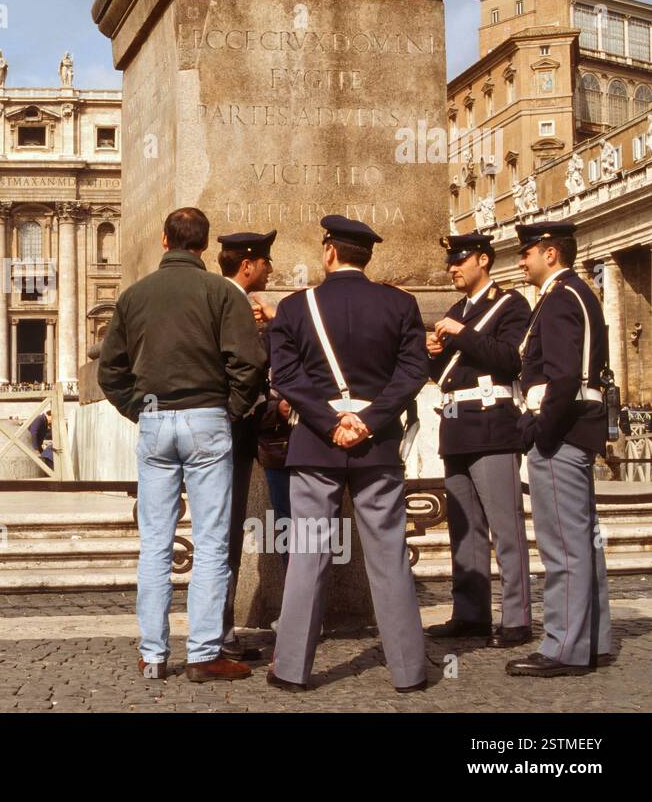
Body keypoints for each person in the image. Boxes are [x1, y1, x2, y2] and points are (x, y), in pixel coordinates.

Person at [98, 207, 264, 683]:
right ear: (205, 246)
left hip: (154, 421)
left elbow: (111, 370)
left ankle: (152, 655)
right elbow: (248, 362)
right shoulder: (219, 291)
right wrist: (228, 408)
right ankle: (204, 653)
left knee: (154, 544)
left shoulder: (134, 295)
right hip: (207, 418)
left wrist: (137, 408)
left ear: (163, 239)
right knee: (211, 542)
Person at [267, 215, 429, 692]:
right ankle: (409, 670)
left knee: (307, 556)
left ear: (329, 252)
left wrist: (329, 421)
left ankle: (294, 668)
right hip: (376, 446)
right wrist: (368, 421)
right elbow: (413, 371)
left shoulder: (296, 307)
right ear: (366, 256)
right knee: (389, 557)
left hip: (316, 444)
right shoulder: (401, 303)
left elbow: (286, 376)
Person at [506, 221, 612, 677]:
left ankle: (563, 647)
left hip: (562, 433)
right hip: (579, 428)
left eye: (527, 252)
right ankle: (593, 640)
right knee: (584, 540)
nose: (521, 260)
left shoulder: (559, 298)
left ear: (551, 254)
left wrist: (541, 428)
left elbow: (564, 377)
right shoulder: (579, 293)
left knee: (563, 545)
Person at [424, 233, 533, 647]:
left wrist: (461, 332)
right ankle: (470, 614)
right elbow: (446, 375)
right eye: (451, 261)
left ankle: (517, 618)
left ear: (483, 261)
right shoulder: (457, 310)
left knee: (506, 529)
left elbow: (510, 358)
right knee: (464, 529)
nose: (453, 267)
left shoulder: (510, 305)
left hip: (492, 426)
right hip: (455, 426)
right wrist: (433, 351)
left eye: (460, 260)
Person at [215, 229, 284, 661]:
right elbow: (249, 366)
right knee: (224, 531)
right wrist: (240, 410)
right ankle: (219, 635)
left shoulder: (219, 298)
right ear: (247, 265)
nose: (271, 270)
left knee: (218, 531)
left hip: (212, 426)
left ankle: (215, 631)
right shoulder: (232, 301)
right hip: (232, 430)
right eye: (265, 263)